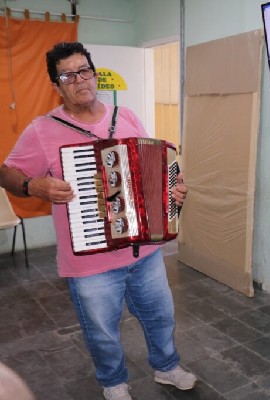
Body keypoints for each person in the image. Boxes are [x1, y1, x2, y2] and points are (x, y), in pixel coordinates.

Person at [0, 42, 197, 400]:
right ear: (57, 86)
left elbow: (154, 168)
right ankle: (114, 382)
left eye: (84, 71)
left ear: (94, 74)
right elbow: (7, 173)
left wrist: (172, 191)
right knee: (102, 331)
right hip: (91, 262)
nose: (79, 80)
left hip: (145, 251)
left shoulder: (127, 117)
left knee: (161, 317)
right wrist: (33, 186)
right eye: (68, 76)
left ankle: (167, 367)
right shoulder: (42, 130)